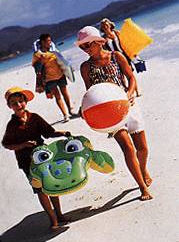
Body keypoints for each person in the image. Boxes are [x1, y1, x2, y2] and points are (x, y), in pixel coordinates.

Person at [76, 26, 153, 201]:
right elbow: (90, 91)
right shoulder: (85, 67)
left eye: (87, 45)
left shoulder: (116, 56)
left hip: (128, 105)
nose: (85, 50)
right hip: (109, 115)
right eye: (82, 47)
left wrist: (129, 93)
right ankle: (142, 187)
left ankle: (143, 169)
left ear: (97, 42)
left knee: (143, 149)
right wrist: (85, 109)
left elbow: (131, 77)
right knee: (128, 149)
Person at [2, 86, 72, 230]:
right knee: (40, 190)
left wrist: (63, 133)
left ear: (25, 101)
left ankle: (59, 214)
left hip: (43, 159)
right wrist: (23, 144)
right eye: (14, 103)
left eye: (20, 101)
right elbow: (7, 144)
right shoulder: (12, 125)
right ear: (10, 106)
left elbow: (49, 133)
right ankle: (53, 220)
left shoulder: (35, 118)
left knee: (51, 186)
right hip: (27, 163)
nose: (18, 105)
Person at [32, 33, 75, 122]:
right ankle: (65, 115)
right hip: (49, 78)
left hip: (60, 75)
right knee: (57, 96)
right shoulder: (37, 54)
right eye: (48, 41)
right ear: (42, 42)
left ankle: (70, 110)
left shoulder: (53, 50)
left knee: (65, 92)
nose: (50, 42)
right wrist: (41, 62)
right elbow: (35, 67)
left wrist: (69, 69)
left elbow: (62, 60)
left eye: (50, 40)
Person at [100, 18, 143, 97]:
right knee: (121, 76)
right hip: (113, 59)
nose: (105, 27)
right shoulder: (103, 39)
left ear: (110, 25)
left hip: (124, 56)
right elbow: (104, 51)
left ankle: (136, 92)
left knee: (130, 74)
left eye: (106, 25)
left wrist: (134, 53)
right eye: (103, 26)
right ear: (102, 28)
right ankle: (126, 93)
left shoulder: (117, 33)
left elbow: (126, 43)